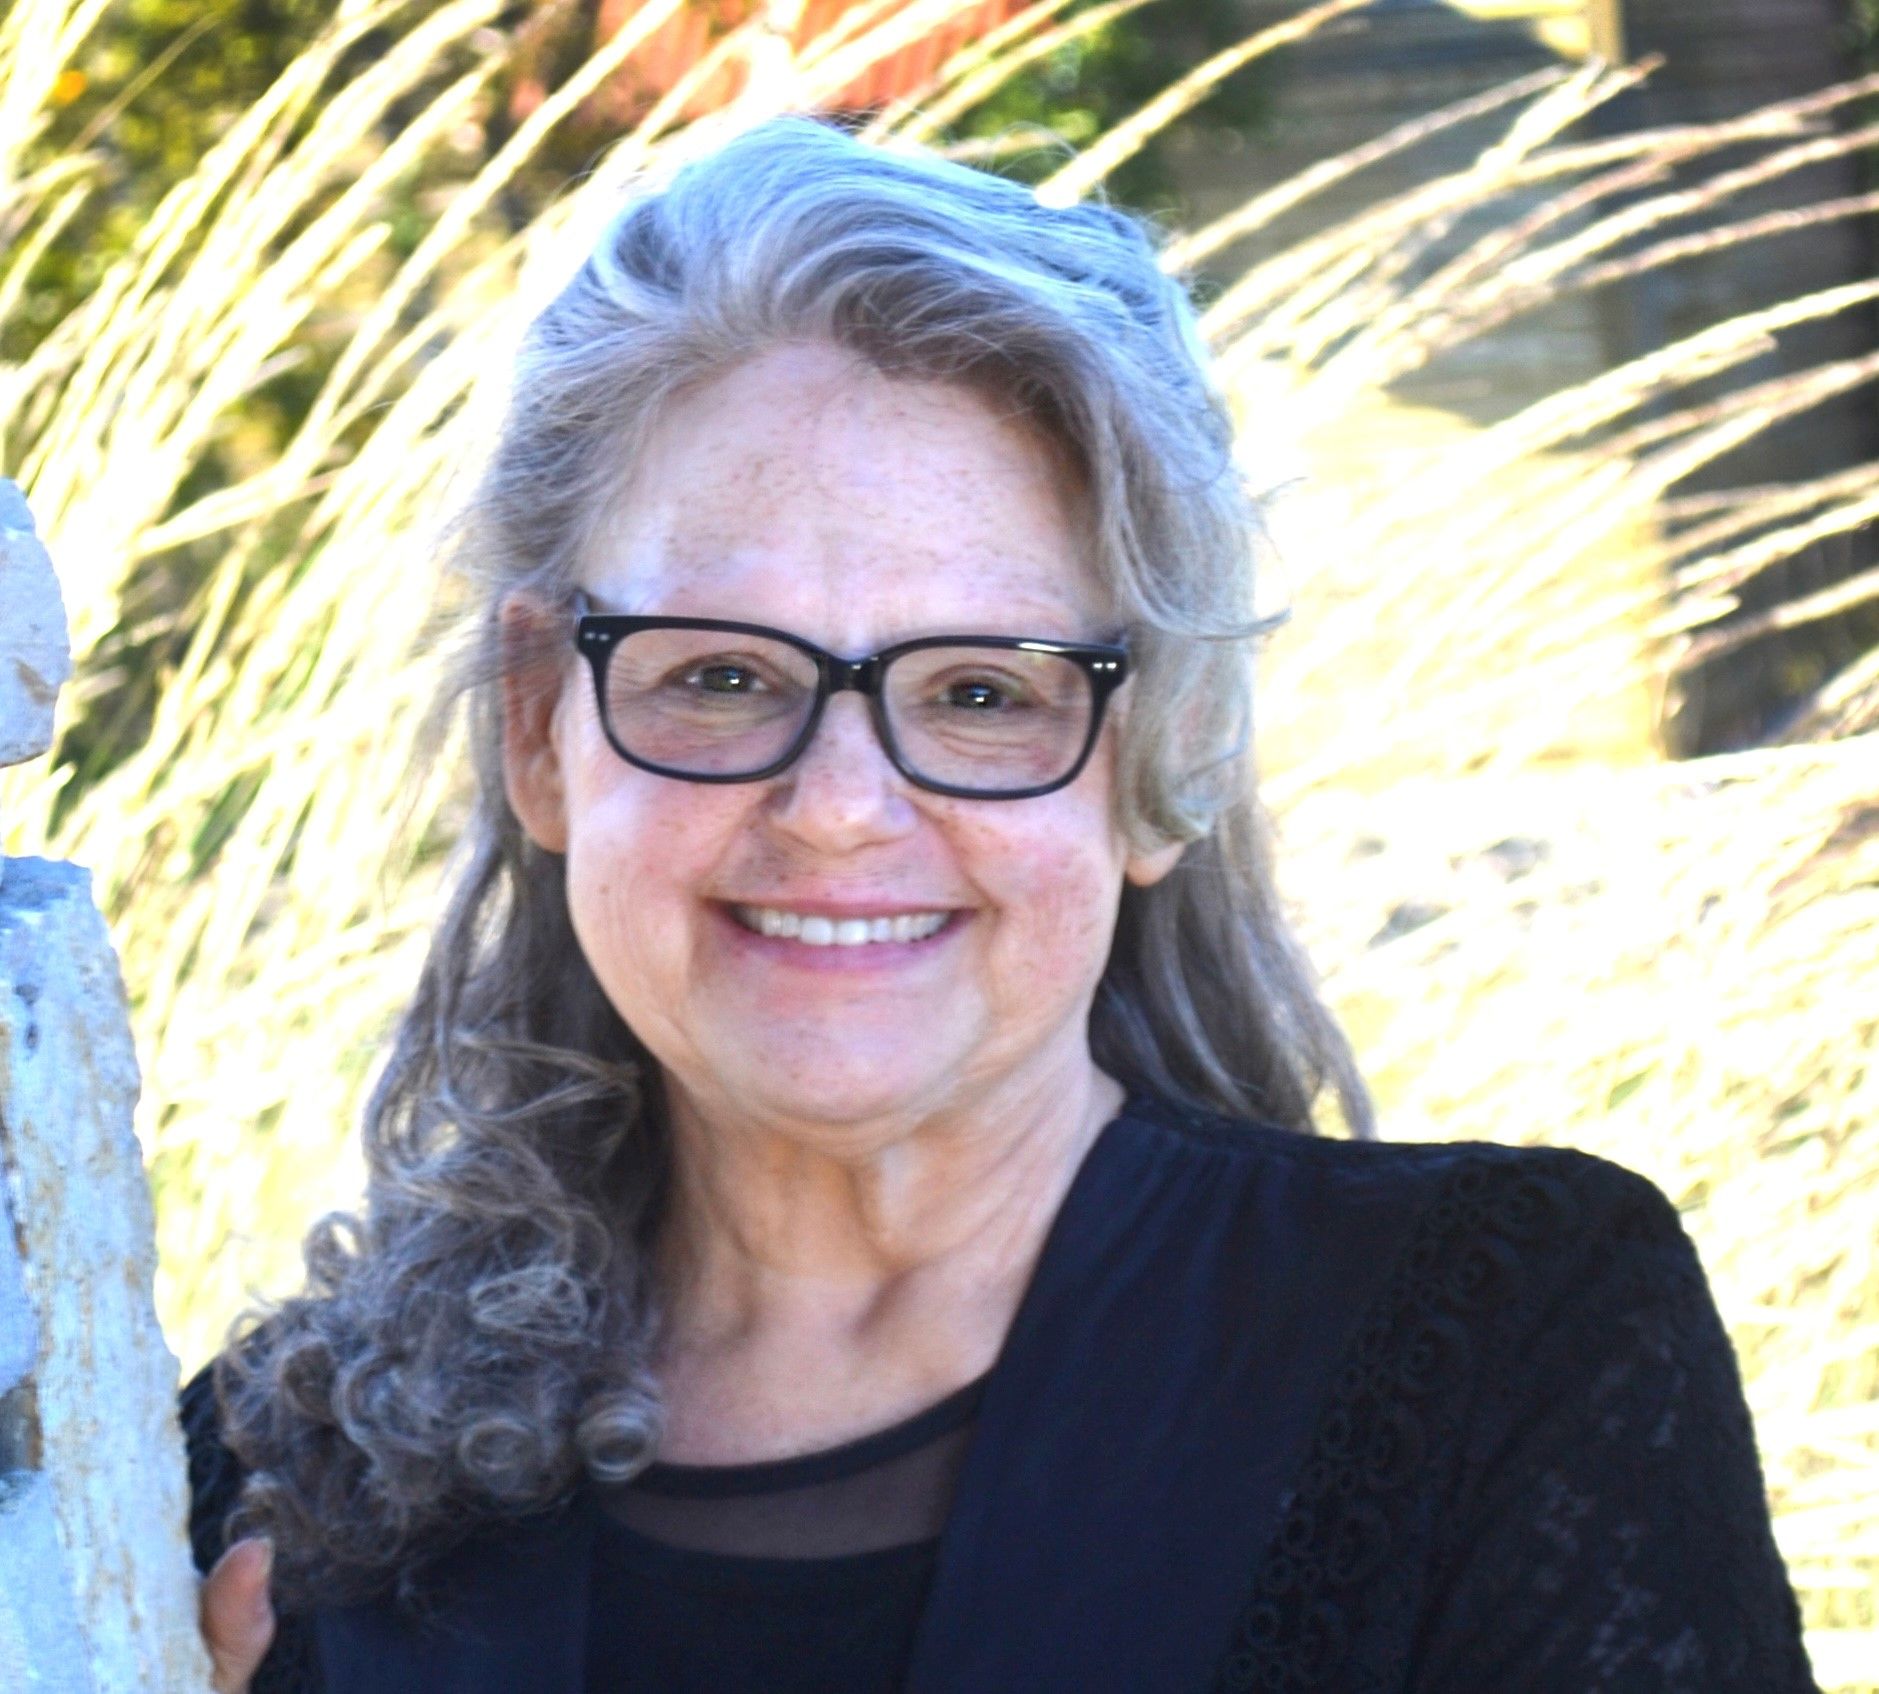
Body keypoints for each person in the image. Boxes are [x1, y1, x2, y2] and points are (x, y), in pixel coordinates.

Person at [182, 116, 1819, 1694]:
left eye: (981, 692)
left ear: (1163, 757)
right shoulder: (261, 1486)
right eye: (723, 675)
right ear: (542, 728)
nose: (834, 807)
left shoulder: (1501, 1347)